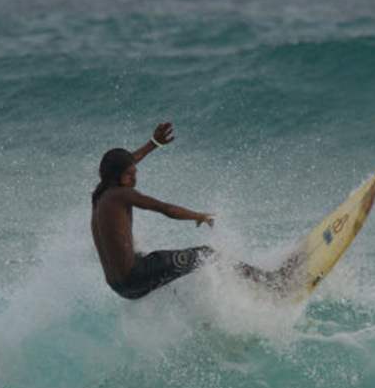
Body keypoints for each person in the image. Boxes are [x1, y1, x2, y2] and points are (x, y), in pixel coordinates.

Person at [91, 122, 279, 300]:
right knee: (208, 254)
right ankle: (271, 283)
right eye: (130, 175)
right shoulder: (121, 194)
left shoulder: (100, 195)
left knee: (179, 274)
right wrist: (198, 216)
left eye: (134, 173)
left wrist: (153, 143)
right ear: (119, 176)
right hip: (137, 276)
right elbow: (166, 209)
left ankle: (218, 311)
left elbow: (129, 161)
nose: (134, 179)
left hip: (122, 288)